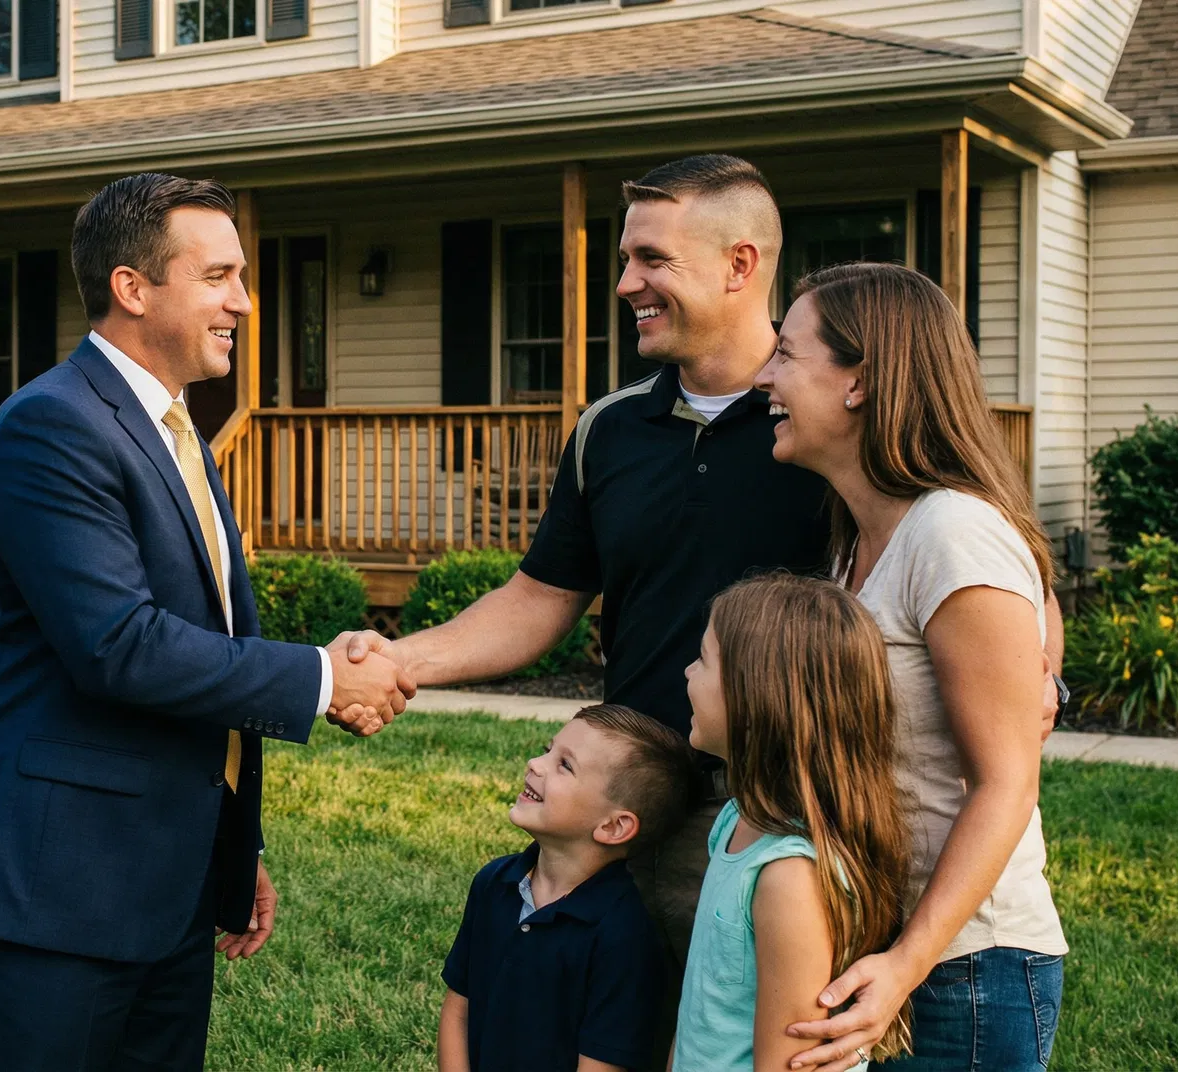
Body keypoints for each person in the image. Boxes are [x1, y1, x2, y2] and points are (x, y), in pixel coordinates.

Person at [0, 173, 414, 1072]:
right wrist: (319, 679)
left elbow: (207, 634)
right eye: (219, 276)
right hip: (57, 893)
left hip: (169, 884)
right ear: (132, 287)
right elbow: (120, 646)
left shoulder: (169, 426)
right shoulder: (53, 426)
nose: (246, 300)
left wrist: (232, 846)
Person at [339, 155, 831, 960]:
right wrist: (398, 659)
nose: (625, 284)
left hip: (783, 810)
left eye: (652, 260)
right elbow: (542, 596)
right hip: (633, 801)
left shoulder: (819, 419)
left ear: (740, 265)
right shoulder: (609, 429)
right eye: (625, 259)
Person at [755, 262, 1067, 1072]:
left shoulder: (952, 534)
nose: (764, 376)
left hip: (963, 968)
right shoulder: (859, 540)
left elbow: (1007, 783)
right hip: (888, 948)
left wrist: (905, 967)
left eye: (786, 354)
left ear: (859, 381)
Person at [675, 573, 913, 1072]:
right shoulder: (738, 819)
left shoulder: (790, 877)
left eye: (704, 659)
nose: (687, 672)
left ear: (758, 696)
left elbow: (789, 1063)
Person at [438, 704, 695, 1072]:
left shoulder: (623, 933)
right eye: (547, 750)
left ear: (614, 827)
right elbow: (458, 1010)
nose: (534, 763)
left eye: (565, 765)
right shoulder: (494, 883)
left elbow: (601, 1063)